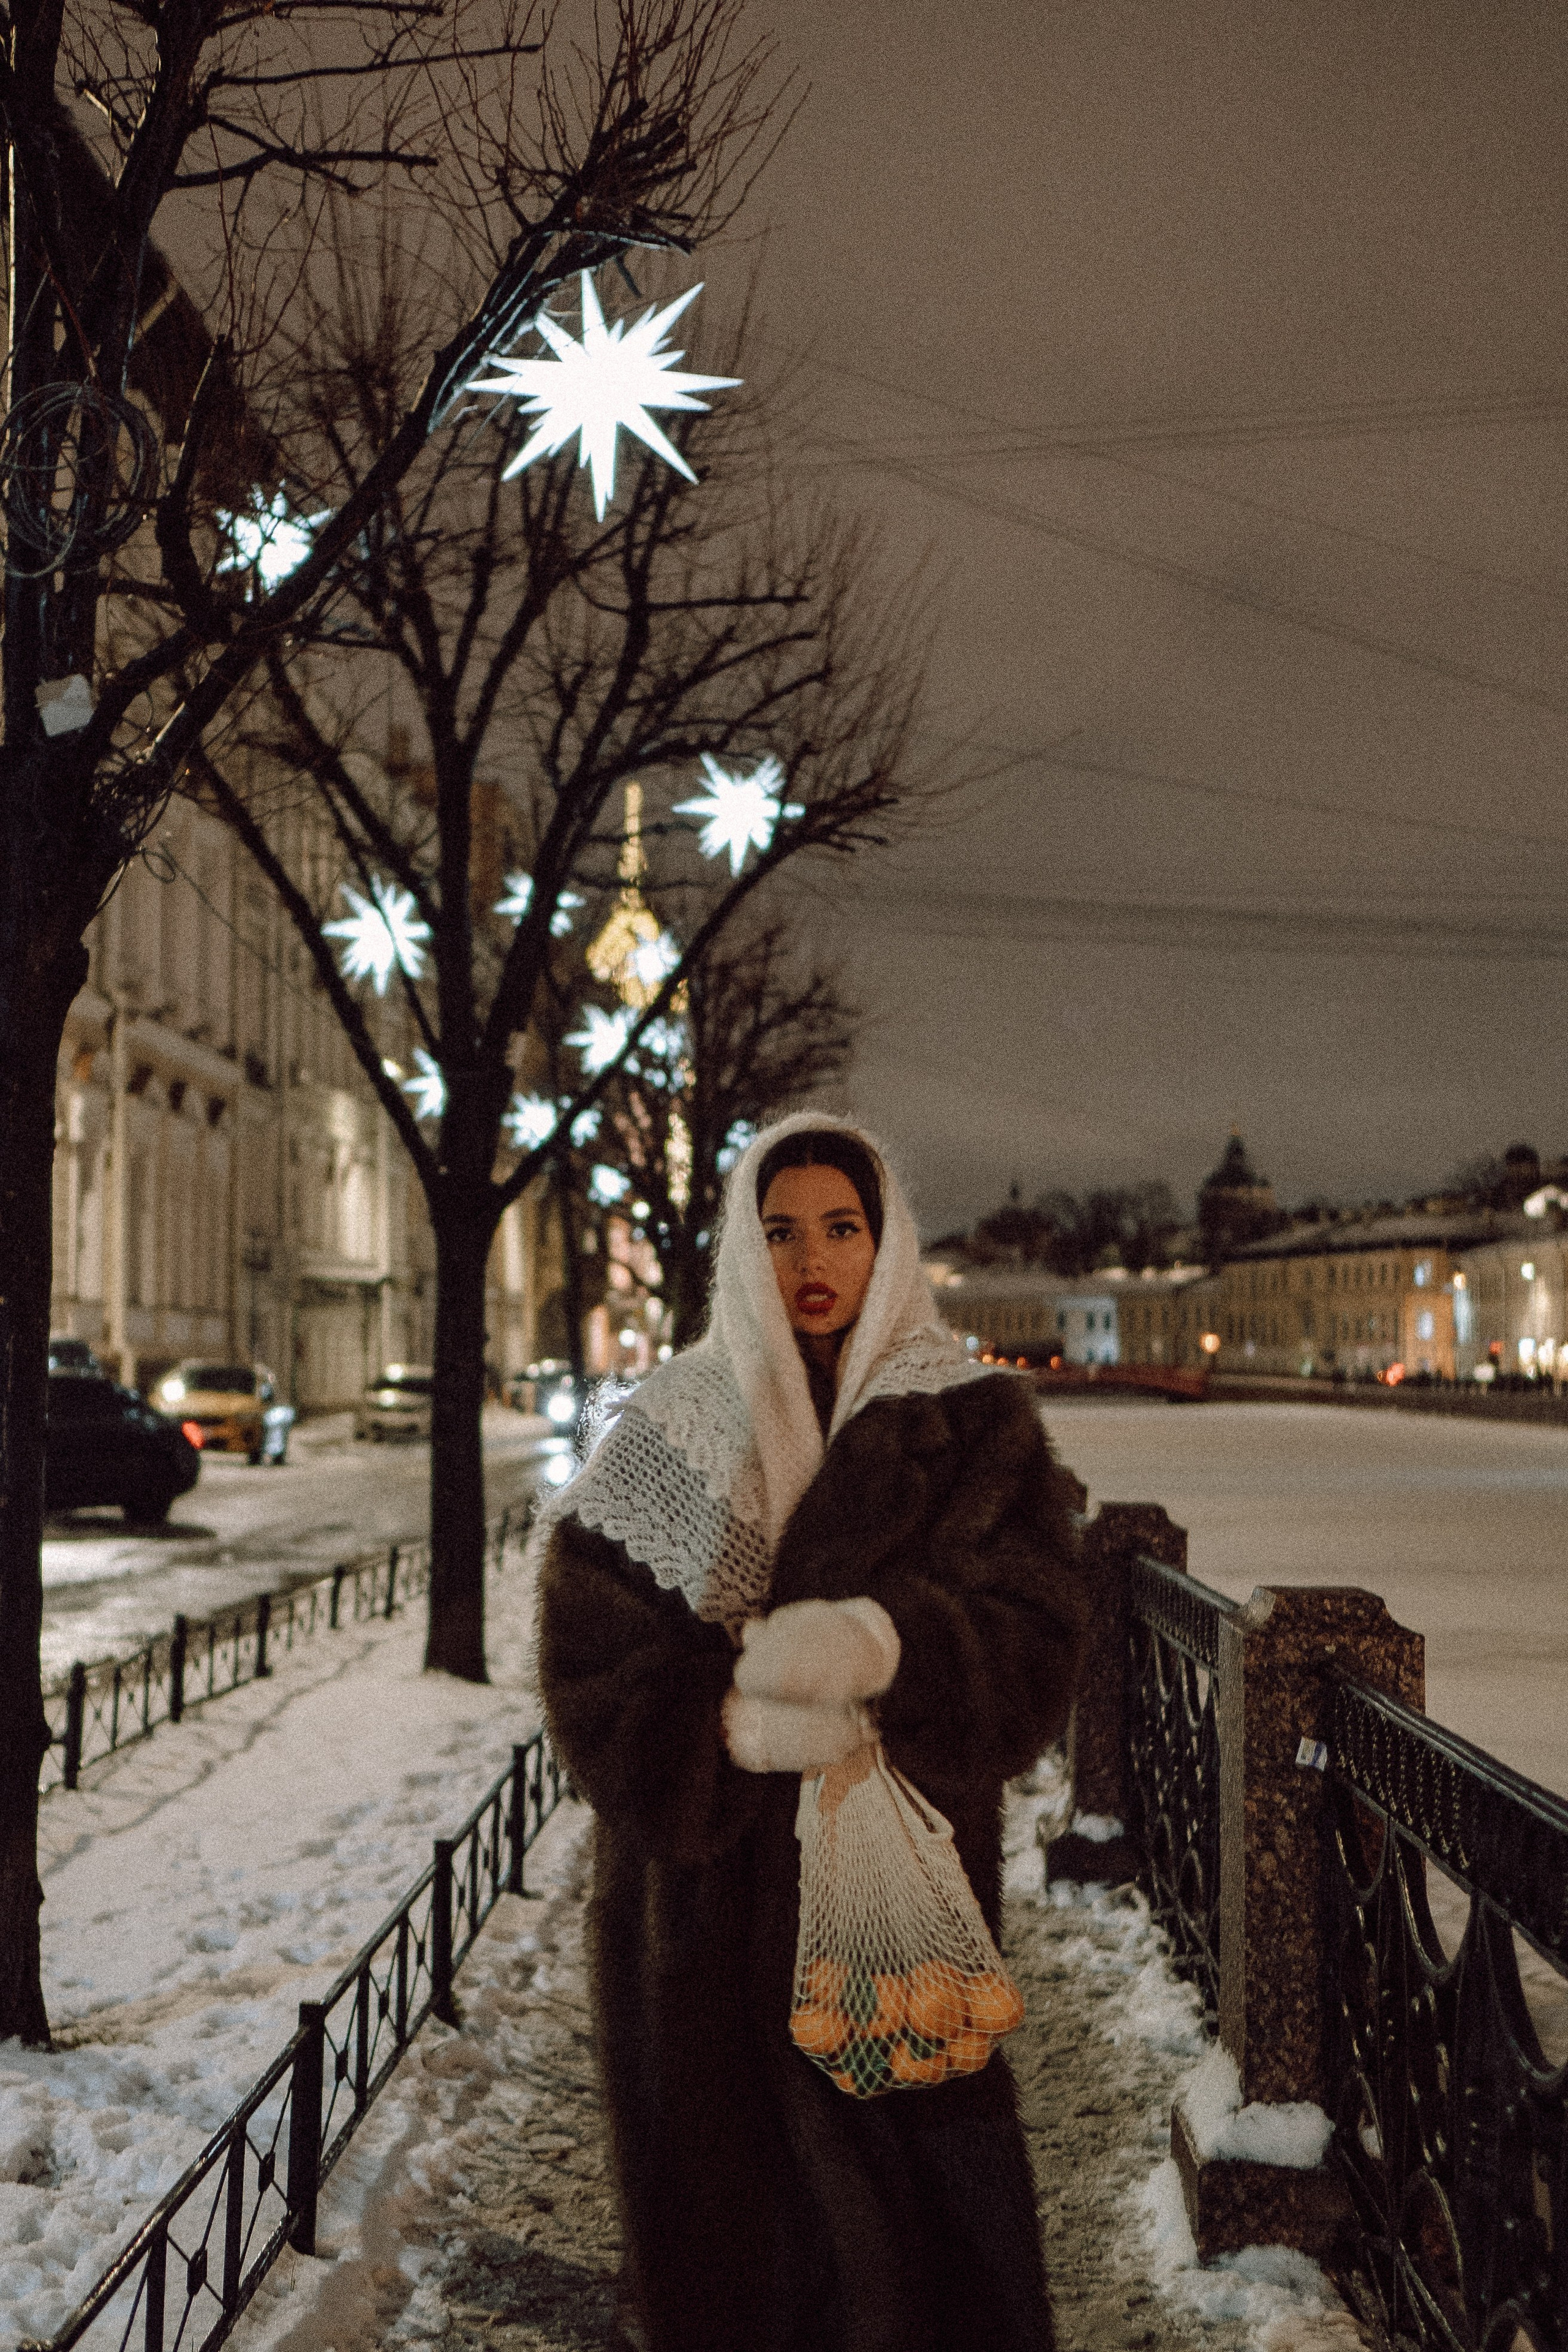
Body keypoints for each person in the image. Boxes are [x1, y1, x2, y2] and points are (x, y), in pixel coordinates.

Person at [533, 1113, 1088, 2352]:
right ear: (744, 1246)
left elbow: (1038, 1636)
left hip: (894, 1909)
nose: (811, 1260)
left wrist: (885, 1646)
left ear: (886, 1244)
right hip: (699, 1921)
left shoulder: (972, 1422)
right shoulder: (666, 1428)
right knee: (733, 2257)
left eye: (841, 1228)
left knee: (924, 2257)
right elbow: (588, 1668)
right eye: (779, 1231)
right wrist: (727, 1729)